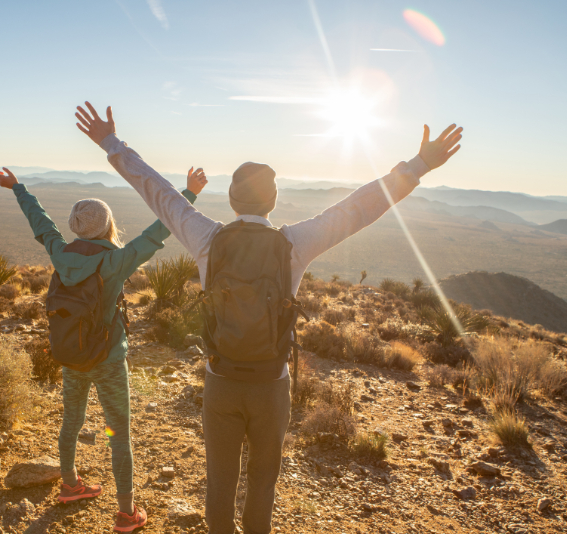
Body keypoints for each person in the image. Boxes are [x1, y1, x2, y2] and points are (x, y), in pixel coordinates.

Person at [74, 101, 463, 534]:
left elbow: (157, 190)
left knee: (219, 481)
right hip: (271, 385)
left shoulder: (206, 237)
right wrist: (418, 165)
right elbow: (357, 209)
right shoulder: (294, 243)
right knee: (263, 481)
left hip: (221, 381)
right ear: (273, 200)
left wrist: (111, 142)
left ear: (231, 199)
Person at [0, 164, 208, 533]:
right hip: (108, 360)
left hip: (71, 355)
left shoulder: (60, 253)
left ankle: (70, 484)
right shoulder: (115, 261)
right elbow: (157, 233)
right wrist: (188, 194)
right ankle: (126, 514)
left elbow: (41, 223)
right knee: (117, 434)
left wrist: (17, 187)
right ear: (106, 225)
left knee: (71, 422)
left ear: (76, 227)